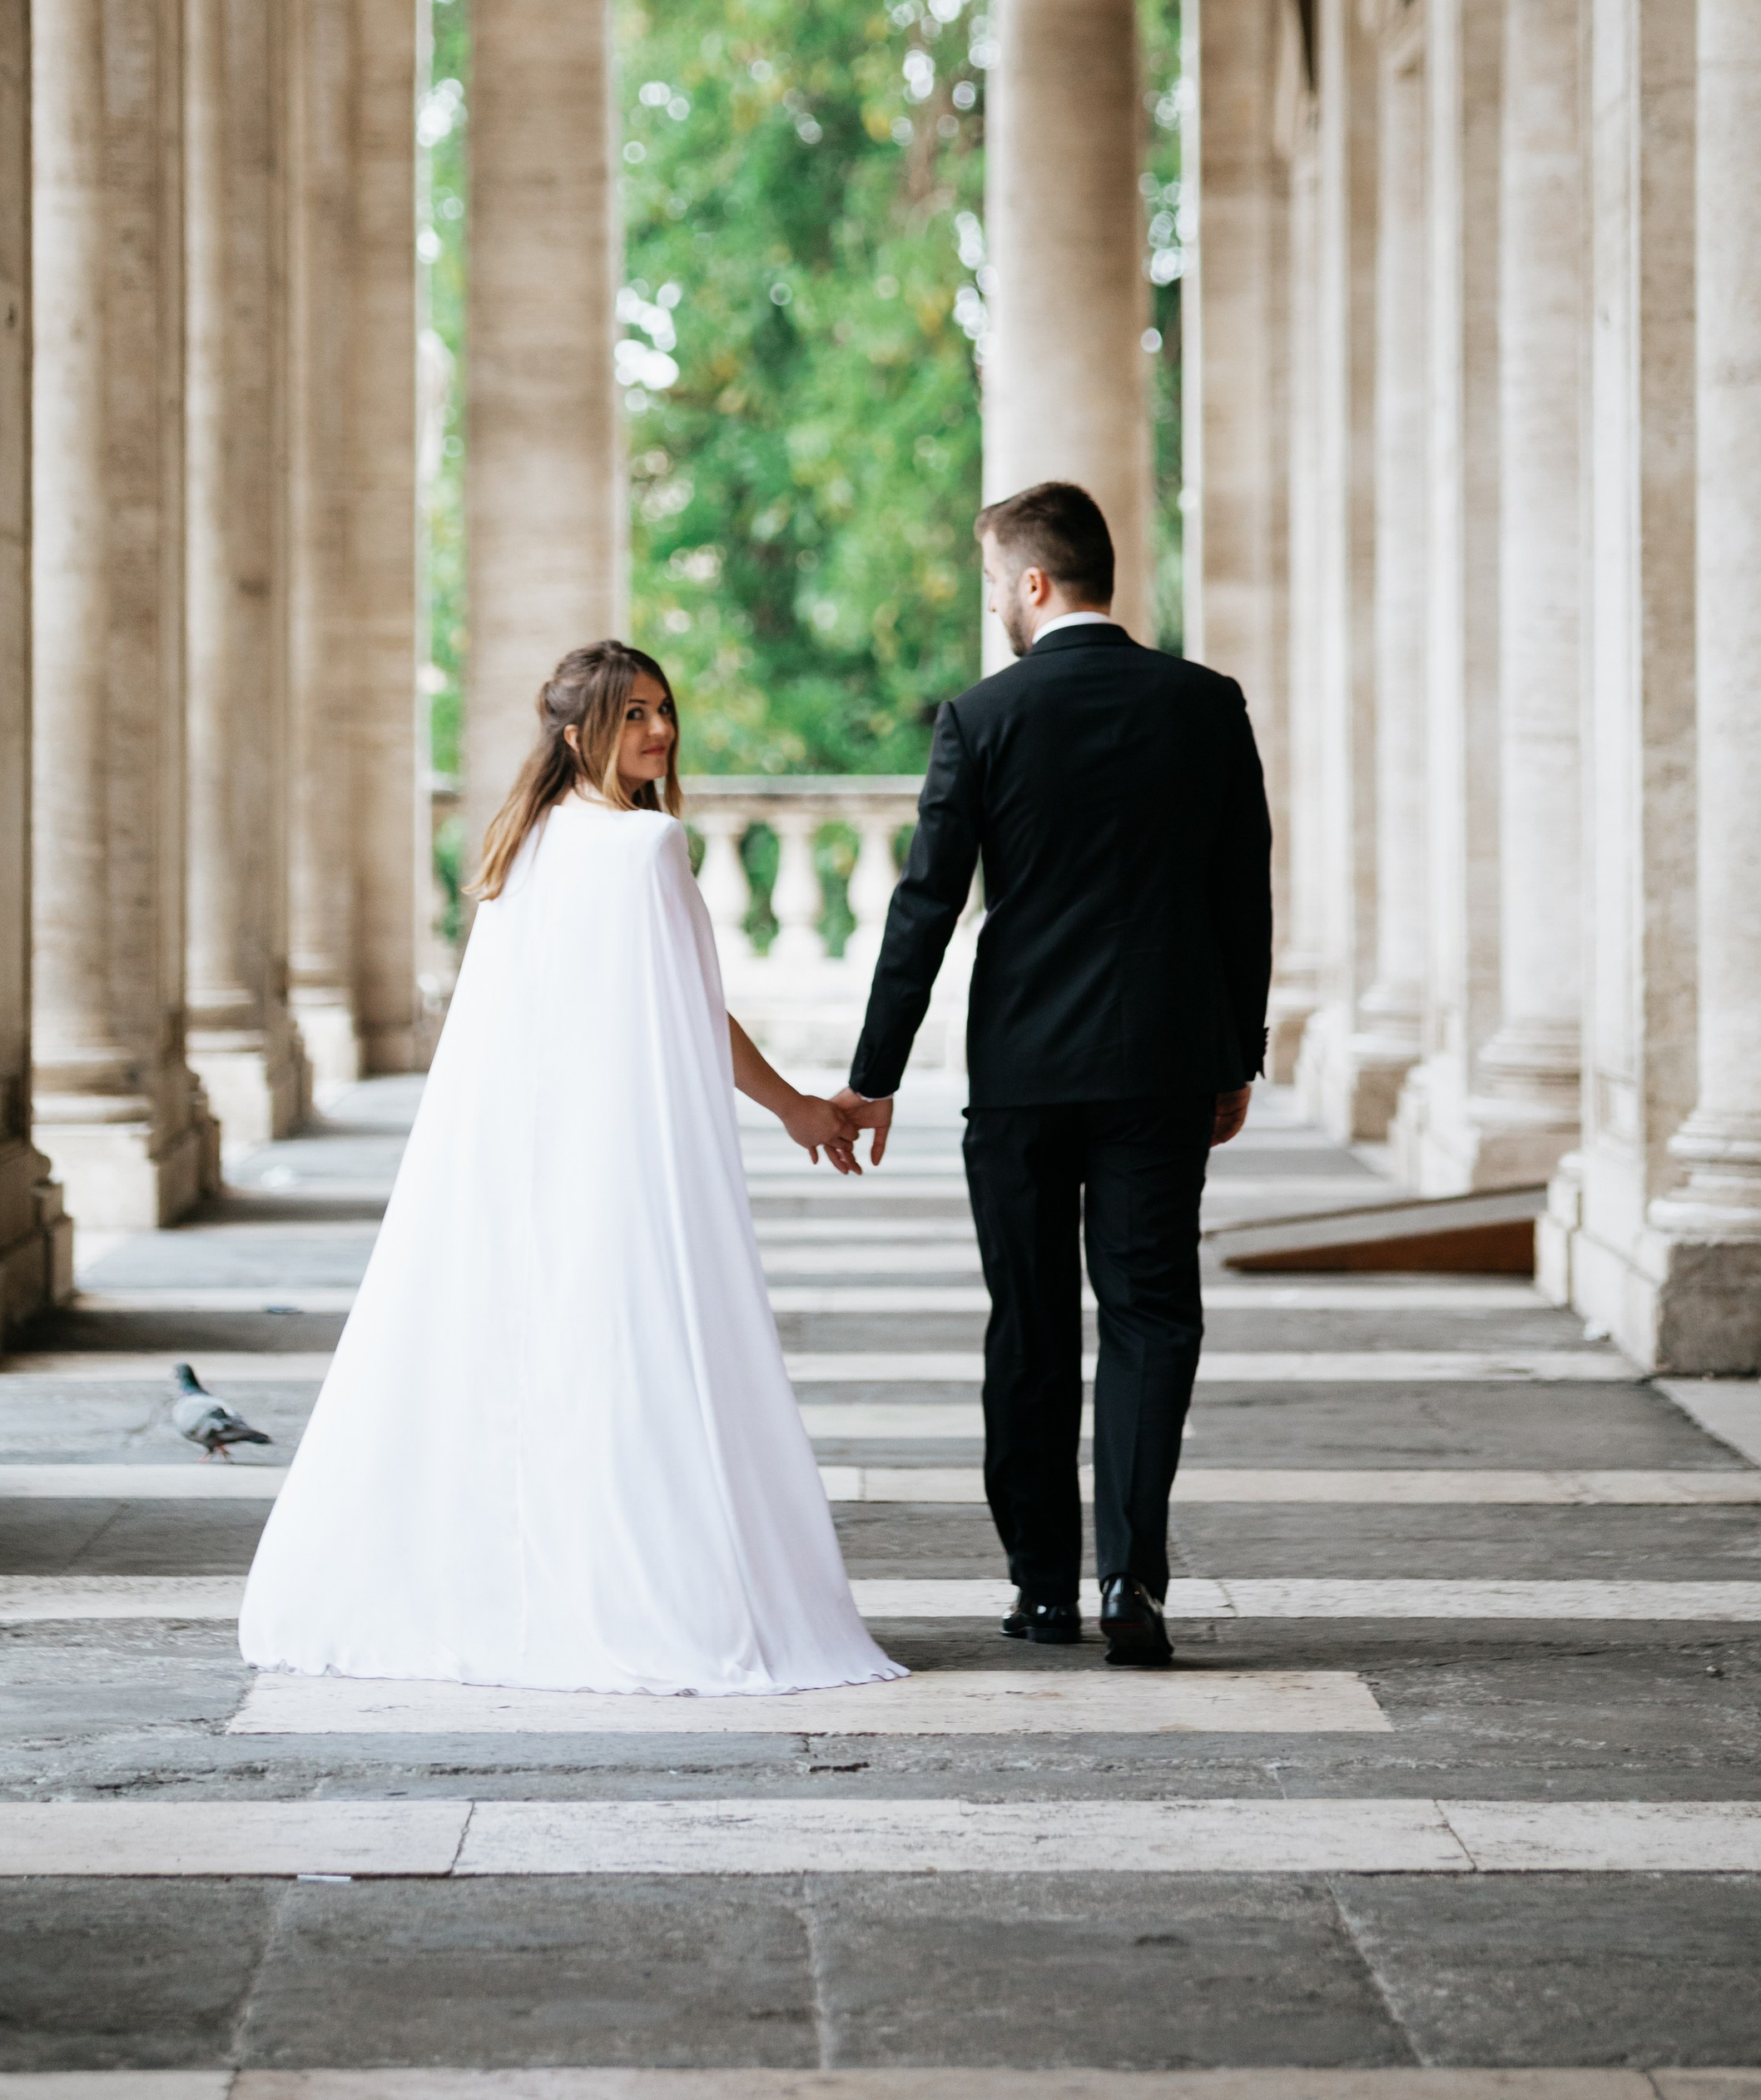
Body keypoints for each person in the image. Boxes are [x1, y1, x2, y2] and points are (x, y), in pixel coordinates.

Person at [240, 639, 901, 1699]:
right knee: (631, 1355)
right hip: (623, 1153)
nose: (659, 731)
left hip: (528, 1155)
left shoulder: (520, 846)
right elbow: (692, 1012)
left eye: (662, 709)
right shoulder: (643, 848)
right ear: (574, 728)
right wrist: (798, 1111)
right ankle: (642, 1591)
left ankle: (523, 1587)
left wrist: (793, 1109)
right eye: (633, 713)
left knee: (538, 1358)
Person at [833, 482, 1272, 1669]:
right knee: (1148, 1316)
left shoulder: (983, 718)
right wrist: (1242, 1053)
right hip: (1165, 1067)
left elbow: (924, 908)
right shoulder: (1205, 704)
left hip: (1023, 1073)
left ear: (1034, 583)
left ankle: (1041, 1587)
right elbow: (1245, 895)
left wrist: (873, 1076)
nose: (996, 612)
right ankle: (1133, 1576)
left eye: (995, 589)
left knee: (1029, 1327)